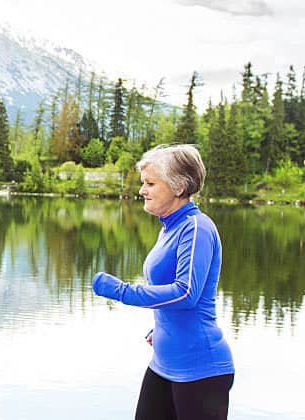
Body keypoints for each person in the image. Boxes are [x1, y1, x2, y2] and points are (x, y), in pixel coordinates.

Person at [92, 144, 234, 420]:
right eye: (144, 183)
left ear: (179, 187)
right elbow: (173, 296)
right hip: (163, 363)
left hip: (200, 369)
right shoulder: (171, 227)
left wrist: (122, 291)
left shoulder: (196, 228)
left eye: (151, 183)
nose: (142, 190)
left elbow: (186, 293)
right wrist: (162, 328)